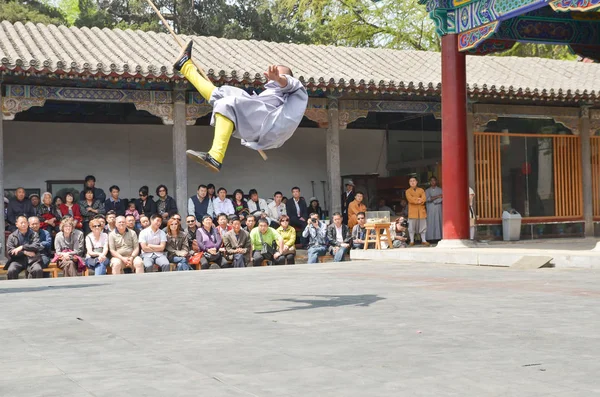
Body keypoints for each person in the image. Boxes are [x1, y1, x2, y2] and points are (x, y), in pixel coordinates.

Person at [175, 41, 308, 172]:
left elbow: (289, 83)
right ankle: (185, 65)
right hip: (261, 124)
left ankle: (216, 156)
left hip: (270, 124)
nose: (273, 76)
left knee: (227, 104)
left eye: (279, 74)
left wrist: (279, 78)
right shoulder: (270, 94)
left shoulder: (296, 91)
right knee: (222, 94)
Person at [406, 177, 430, 246]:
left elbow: (424, 198)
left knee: (423, 226)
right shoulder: (408, 191)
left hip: (421, 211)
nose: (412, 182)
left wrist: (419, 200)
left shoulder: (421, 190)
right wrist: (418, 199)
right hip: (412, 211)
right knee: (411, 227)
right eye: (410, 181)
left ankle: (424, 240)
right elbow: (410, 200)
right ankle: (412, 241)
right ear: (409, 183)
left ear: (416, 182)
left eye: (414, 181)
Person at [425, 176, 443, 242]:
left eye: (434, 180)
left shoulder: (440, 190)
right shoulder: (427, 191)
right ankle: (430, 238)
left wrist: (434, 199)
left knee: (438, 221)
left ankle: (439, 237)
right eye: (431, 181)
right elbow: (427, 199)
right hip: (430, 209)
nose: (433, 182)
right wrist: (438, 196)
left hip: (438, 208)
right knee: (430, 222)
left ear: (436, 181)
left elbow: (442, 198)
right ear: (430, 182)